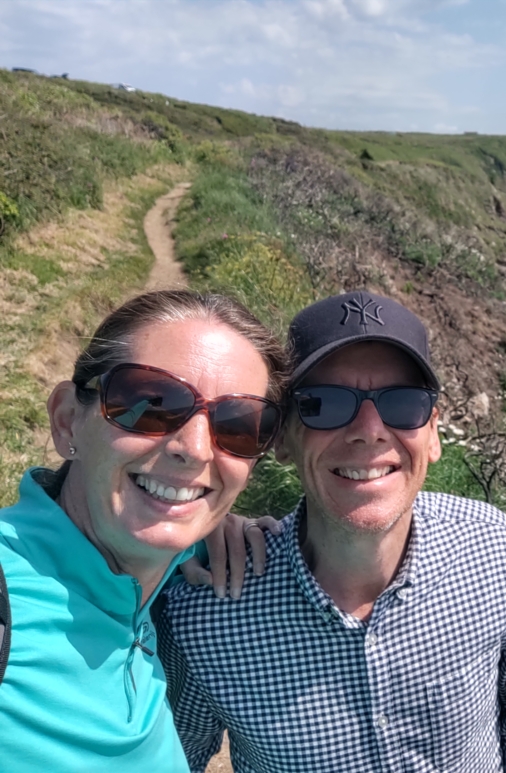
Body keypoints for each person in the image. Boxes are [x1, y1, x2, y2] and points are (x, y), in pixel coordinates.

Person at [161, 290, 506, 772]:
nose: (370, 430)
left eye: (403, 403)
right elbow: (172, 759)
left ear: (433, 433)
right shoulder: (204, 606)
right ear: (283, 438)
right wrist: (187, 533)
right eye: (325, 403)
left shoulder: (490, 548)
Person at [0, 290, 290, 772]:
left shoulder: (151, 577)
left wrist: (210, 527)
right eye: (150, 404)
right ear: (68, 419)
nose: (195, 449)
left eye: (238, 426)